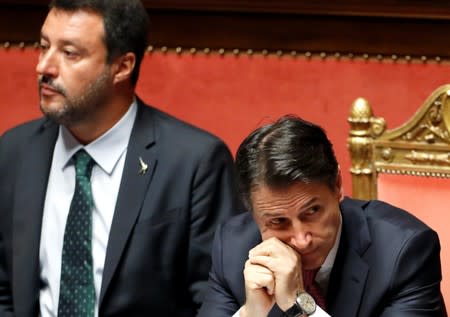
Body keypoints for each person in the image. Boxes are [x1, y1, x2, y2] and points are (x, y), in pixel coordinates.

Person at [0, 0, 242, 316]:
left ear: (122, 66)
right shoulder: (14, 151)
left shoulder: (195, 162)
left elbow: (217, 300)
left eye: (70, 53)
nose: (44, 66)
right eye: (44, 46)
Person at [198, 115, 447, 317]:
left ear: (337, 185)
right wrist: (251, 315)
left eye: (312, 212)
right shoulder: (232, 247)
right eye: (278, 222)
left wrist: (299, 305)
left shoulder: (403, 251)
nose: (301, 239)